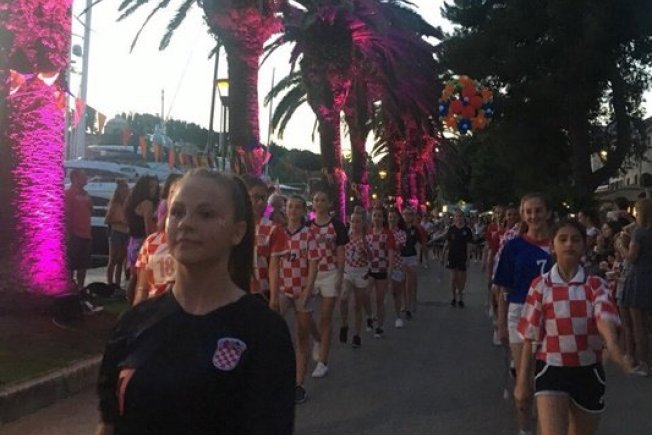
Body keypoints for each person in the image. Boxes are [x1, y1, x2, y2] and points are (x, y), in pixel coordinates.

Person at [95, 169, 295, 435]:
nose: (186, 224)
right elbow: (108, 423)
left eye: (206, 214)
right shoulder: (133, 324)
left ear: (238, 232)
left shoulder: (264, 332)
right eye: (177, 212)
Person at [514, 220, 632, 435]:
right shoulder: (540, 286)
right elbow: (530, 337)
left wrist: (612, 344)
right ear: (553, 246)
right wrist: (522, 381)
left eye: (575, 240)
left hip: (588, 371)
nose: (569, 244)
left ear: (584, 246)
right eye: (563, 239)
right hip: (552, 368)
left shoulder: (595, 284)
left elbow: (603, 315)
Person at [494, 193, 553, 435]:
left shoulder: (557, 244)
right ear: (522, 214)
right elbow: (503, 288)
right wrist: (501, 323)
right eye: (529, 211)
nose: (534, 216)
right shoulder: (513, 247)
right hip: (520, 312)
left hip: (552, 313)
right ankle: (524, 428)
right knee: (524, 377)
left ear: (547, 213)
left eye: (538, 210)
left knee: (546, 378)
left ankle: (544, 426)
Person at [279, 195, 320, 404]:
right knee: (272, 325)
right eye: (290, 206)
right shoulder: (279, 233)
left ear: (304, 211)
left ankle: (299, 383)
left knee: (301, 335)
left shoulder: (308, 235)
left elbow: (313, 264)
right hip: (283, 289)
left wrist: (308, 289)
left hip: (302, 289)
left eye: (297, 207)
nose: (293, 210)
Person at [309, 188, 348, 378]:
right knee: (304, 314)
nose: (319, 203)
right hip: (311, 274)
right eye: (316, 200)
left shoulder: (337, 226)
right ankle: (317, 338)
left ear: (329, 204)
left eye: (323, 200)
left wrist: (340, 275)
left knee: (325, 317)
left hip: (330, 273)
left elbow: (340, 251)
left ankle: (323, 362)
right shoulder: (307, 226)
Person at [132, 177, 183, 306]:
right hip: (154, 311)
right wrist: (135, 314)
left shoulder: (201, 243)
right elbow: (142, 289)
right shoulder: (152, 241)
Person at [244, 176, 288, 309]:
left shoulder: (273, 228)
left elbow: (274, 266)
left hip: (262, 293)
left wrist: (274, 298)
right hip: (233, 291)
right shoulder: (228, 226)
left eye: (264, 198)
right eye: (255, 197)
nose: (260, 202)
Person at [622, 198, 652, 376]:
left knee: (638, 324)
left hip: (639, 277)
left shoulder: (639, 233)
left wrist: (621, 247)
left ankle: (644, 363)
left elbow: (632, 257)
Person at [125, 176, 159, 303]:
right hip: (142, 242)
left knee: (134, 277)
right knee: (142, 279)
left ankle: (130, 302)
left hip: (132, 242)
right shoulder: (147, 203)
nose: (153, 190)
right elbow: (148, 228)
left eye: (155, 187)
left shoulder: (132, 202)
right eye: (150, 187)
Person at [341, 211, 372, 347]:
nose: (355, 224)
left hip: (361, 272)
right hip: (348, 270)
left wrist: (365, 245)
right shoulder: (346, 236)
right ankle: (344, 325)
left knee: (357, 305)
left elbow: (371, 257)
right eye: (353, 221)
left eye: (358, 221)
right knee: (344, 297)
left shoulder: (366, 238)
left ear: (363, 223)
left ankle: (357, 335)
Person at [366, 206, 395, 337]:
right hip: (369, 269)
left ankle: (379, 326)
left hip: (382, 269)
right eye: (374, 216)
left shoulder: (387, 233)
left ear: (383, 218)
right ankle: (370, 315)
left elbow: (390, 253)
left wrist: (390, 270)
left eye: (379, 216)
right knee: (365, 294)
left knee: (379, 299)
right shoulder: (368, 233)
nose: (376, 218)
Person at [65, 168, 93, 292]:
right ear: (75, 178)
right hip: (74, 234)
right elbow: (66, 214)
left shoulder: (86, 194)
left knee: (83, 264)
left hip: (86, 234)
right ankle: (69, 287)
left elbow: (90, 209)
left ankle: (81, 288)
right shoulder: (69, 193)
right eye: (83, 176)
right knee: (71, 264)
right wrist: (68, 233)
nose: (86, 178)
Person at [443, 209, 473, 308]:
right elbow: (447, 243)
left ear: (463, 217)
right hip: (452, 256)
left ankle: (460, 297)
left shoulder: (467, 230)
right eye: (456, 216)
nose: (458, 218)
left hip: (462, 256)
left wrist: (468, 258)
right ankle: (453, 298)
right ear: (454, 218)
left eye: (460, 216)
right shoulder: (451, 229)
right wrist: (443, 255)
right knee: (453, 278)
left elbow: (469, 245)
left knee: (461, 279)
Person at [105, 180, 130, 290]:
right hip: (116, 231)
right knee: (113, 259)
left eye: (126, 190)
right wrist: (119, 221)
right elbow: (107, 220)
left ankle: (118, 284)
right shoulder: (115, 204)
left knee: (121, 259)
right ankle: (110, 283)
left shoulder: (129, 205)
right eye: (122, 191)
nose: (125, 193)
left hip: (126, 232)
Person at [401, 207, 425, 320]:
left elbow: (419, 244)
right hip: (401, 256)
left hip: (411, 256)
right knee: (402, 281)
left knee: (410, 282)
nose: (407, 217)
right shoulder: (400, 229)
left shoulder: (415, 229)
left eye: (409, 214)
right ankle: (404, 302)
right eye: (405, 214)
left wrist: (419, 257)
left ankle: (412, 300)